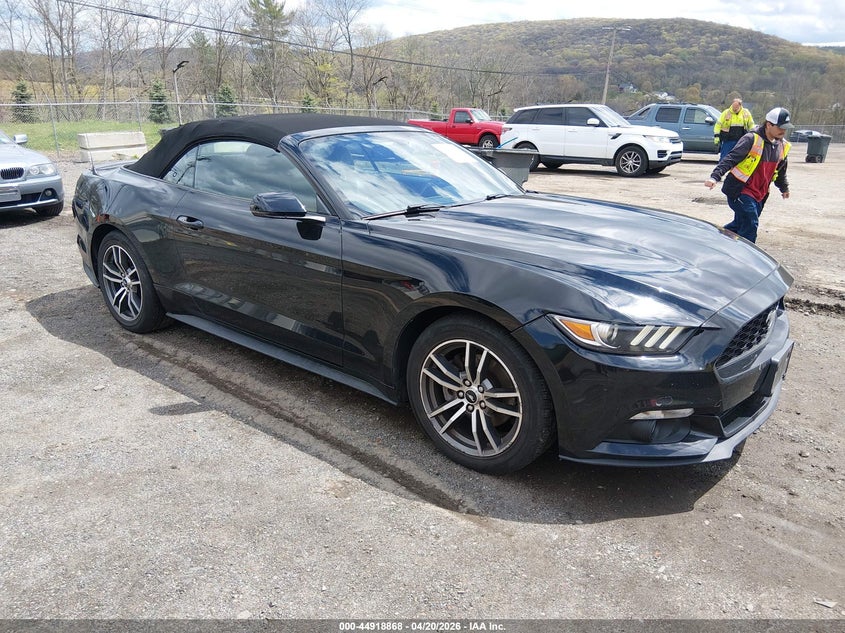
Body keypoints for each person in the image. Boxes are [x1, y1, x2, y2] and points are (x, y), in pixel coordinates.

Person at [704, 107, 792, 244]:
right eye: (780, 127)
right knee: (751, 224)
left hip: (760, 194)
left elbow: (780, 170)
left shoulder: (782, 145)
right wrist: (715, 176)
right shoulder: (751, 139)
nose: (783, 131)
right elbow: (730, 158)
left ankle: (711, 241)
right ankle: (746, 259)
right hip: (740, 190)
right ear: (769, 125)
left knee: (740, 225)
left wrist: (784, 188)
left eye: (785, 127)